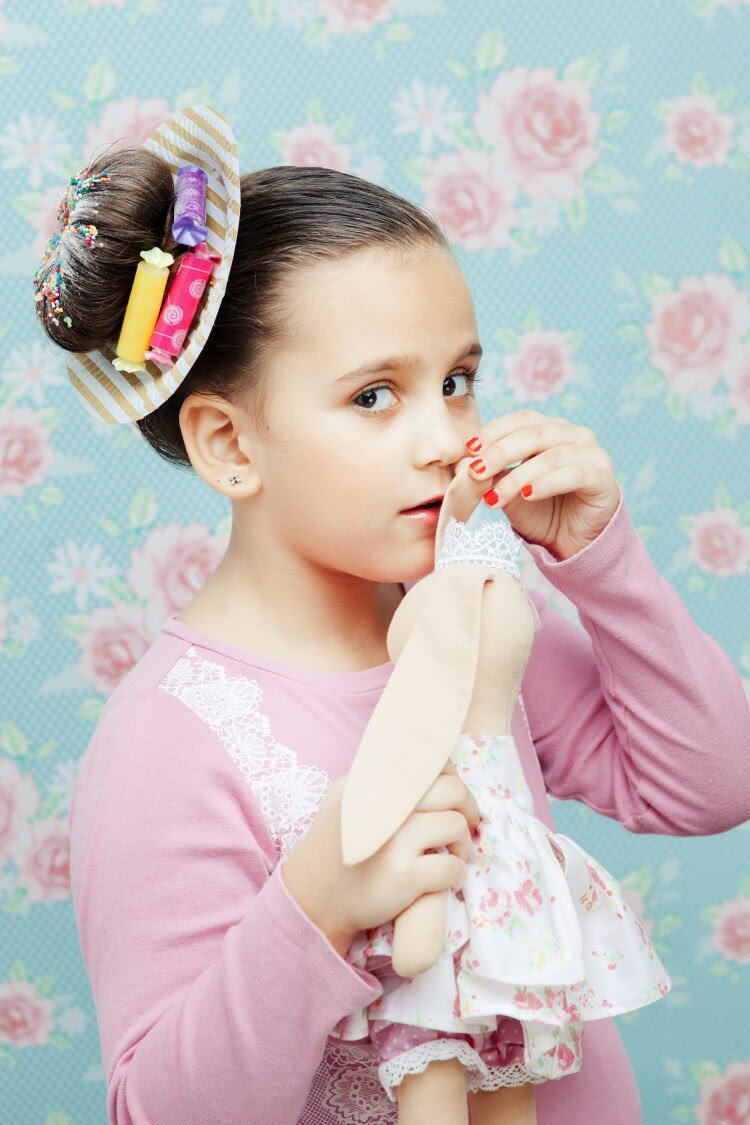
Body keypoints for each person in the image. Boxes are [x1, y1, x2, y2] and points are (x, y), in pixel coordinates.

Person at [34, 109, 750, 1125]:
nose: (446, 438)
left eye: (457, 382)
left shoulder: (471, 619)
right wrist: (316, 903)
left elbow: (712, 783)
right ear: (230, 444)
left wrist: (604, 563)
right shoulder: (166, 743)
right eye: (375, 396)